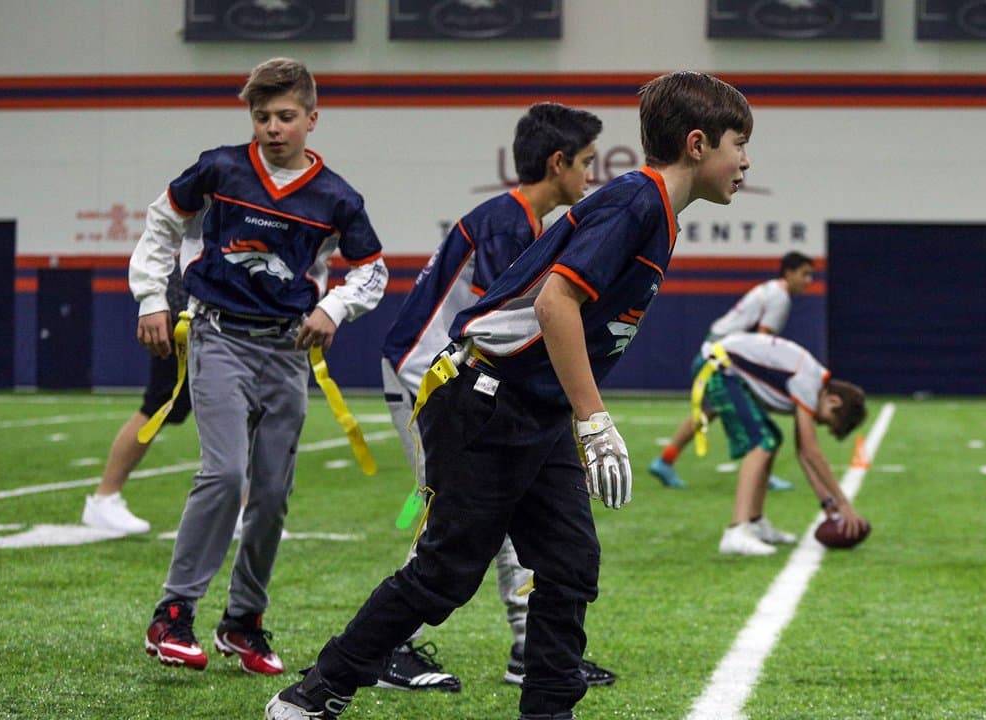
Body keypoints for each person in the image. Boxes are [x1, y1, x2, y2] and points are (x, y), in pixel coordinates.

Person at [266, 70, 754, 720]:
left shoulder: (658, 215)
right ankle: (316, 691)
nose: (746, 160)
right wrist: (595, 419)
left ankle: (548, 712)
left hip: (532, 405)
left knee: (571, 561)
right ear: (698, 143)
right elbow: (556, 304)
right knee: (447, 572)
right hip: (486, 397)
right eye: (738, 143)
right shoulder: (638, 202)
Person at [131, 57, 388, 676]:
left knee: (271, 494)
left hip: (286, 350)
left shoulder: (337, 197)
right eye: (262, 116)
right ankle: (173, 614)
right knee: (223, 474)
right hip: (218, 336)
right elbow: (163, 217)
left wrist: (335, 306)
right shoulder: (221, 167)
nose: (273, 128)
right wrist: (151, 296)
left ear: (312, 119)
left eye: (286, 116)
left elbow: (371, 268)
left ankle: (243, 622)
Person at [377, 103, 614, 692]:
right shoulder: (509, 227)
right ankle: (388, 648)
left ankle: (528, 650)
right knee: (456, 518)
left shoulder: (518, 222)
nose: (591, 175)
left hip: (448, 375)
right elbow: (501, 331)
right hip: (428, 378)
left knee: (499, 514)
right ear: (558, 163)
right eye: (587, 163)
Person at [648, 251, 815, 490]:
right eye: (805, 274)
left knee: (709, 410)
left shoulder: (771, 290)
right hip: (725, 358)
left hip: (714, 350)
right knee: (754, 415)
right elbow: (762, 343)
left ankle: (665, 461)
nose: (808, 280)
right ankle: (761, 473)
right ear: (789, 273)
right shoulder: (780, 298)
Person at [693, 332, 870, 556]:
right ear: (834, 400)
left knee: (772, 439)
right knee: (762, 442)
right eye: (826, 419)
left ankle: (755, 522)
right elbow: (810, 450)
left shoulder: (813, 379)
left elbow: (803, 454)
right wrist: (843, 503)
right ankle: (736, 530)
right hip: (717, 367)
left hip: (722, 365)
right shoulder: (808, 381)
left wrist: (827, 502)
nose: (819, 422)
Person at [82, 267, 189, 535]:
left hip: (227, 310)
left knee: (246, 405)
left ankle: (246, 506)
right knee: (159, 405)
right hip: (188, 313)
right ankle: (105, 496)